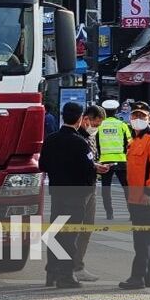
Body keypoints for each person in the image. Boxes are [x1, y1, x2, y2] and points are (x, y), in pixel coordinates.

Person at [38, 101, 96, 289]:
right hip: (76, 195)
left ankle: (51, 273)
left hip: (57, 193)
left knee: (56, 234)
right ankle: (66, 275)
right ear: (80, 119)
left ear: (62, 116)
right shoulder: (80, 142)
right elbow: (89, 171)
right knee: (70, 236)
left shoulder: (51, 139)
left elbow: (42, 165)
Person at [119, 102, 150, 290]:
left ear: (149, 118)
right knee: (145, 238)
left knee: (142, 239)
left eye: (142, 116)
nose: (138, 119)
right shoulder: (133, 141)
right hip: (134, 195)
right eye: (135, 116)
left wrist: (148, 192)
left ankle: (137, 277)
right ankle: (149, 277)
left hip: (148, 196)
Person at [74, 104, 110, 283]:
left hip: (91, 186)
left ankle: (78, 265)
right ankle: (71, 267)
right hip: (77, 190)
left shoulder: (90, 137)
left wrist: (97, 166)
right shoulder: (76, 137)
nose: (96, 128)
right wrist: (94, 166)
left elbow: (91, 159)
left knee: (87, 228)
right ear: (86, 119)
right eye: (95, 124)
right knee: (74, 229)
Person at [97, 100, 132, 220]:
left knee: (106, 189)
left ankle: (109, 214)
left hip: (105, 161)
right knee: (127, 188)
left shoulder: (100, 125)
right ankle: (131, 214)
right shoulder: (122, 125)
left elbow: (95, 144)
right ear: (116, 111)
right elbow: (130, 143)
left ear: (104, 112)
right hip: (121, 161)